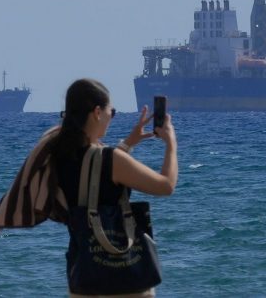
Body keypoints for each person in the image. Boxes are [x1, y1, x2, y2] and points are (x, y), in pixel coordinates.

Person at [50, 78, 177, 298]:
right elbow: (166, 185)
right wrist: (171, 144)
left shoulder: (59, 155)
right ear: (97, 112)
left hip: (83, 276)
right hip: (124, 279)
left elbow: (94, 175)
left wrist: (128, 144)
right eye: (112, 112)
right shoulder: (112, 159)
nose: (111, 117)